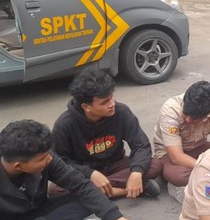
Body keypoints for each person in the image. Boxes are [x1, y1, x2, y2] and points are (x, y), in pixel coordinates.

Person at [1, 120, 139, 220]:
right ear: (18, 166)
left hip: (36, 211)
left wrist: (116, 218)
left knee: (88, 199)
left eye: (48, 154)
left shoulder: (45, 156)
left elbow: (79, 184)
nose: (49, 159)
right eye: (42, 159)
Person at [52, 69, 161, 199]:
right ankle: (124, 191)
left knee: (155, 165)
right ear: (86, 107)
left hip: (117, 164)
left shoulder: (122, 112)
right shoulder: (65, 124)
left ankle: (97, 193)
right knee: (55, 190)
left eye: (111, 98)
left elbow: (141, 145)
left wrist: (136, 172)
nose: (112, 104)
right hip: (85, 171)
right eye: (105, 102)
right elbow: (60, 161)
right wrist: (90, 174)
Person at [153, 81, 210, 203]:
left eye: (194, 118)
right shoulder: (170, 110)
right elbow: (176, 157)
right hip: (170, 155)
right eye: (186, 114)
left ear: (208, 113)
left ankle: (201, 185)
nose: (187, 119)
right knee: (179, 176)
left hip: (199, 147)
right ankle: (180, 186)